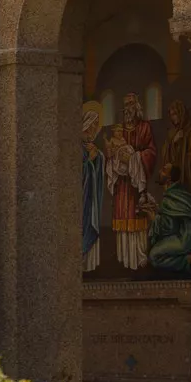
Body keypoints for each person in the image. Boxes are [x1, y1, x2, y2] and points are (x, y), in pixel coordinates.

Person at [106, 88, 157, 271]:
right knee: (123, 216)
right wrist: (114, 158)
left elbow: (151, 153)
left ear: (137, 106)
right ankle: (123, 257)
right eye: (125, 105)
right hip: (122, 184)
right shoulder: (118, 130)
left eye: (130, 104)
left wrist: (135, 158)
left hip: (136, 185)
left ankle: (139, 257)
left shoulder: (145, 127)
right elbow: (111, 154)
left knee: (137, 215)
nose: (127, 108)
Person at [80, 100, 105, 273]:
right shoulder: (77, 146)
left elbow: (98, 163)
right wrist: (90, 160)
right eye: (93, 124)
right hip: (81, 197)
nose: (95, 128)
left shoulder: (92, 146)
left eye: (97, 125)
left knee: (90, 222)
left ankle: (88, 263)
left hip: (91, 196)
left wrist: (98, 157)